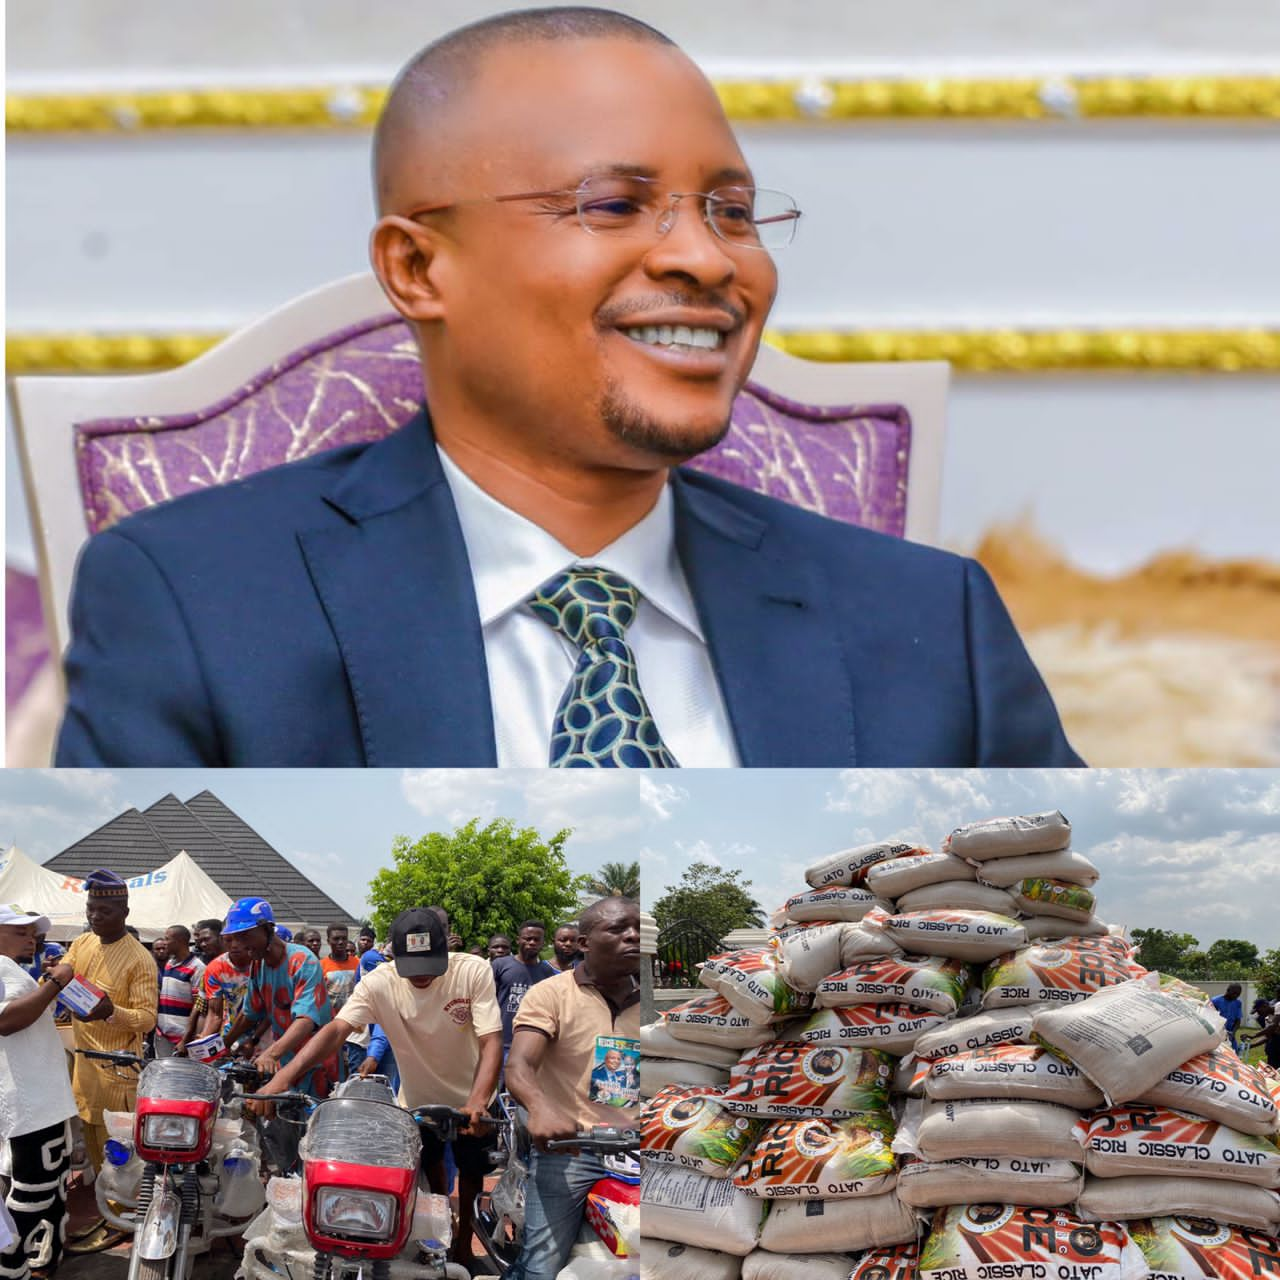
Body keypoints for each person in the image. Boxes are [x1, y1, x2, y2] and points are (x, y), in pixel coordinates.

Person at [55, 7, 1082, 771]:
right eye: (613, 203)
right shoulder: (192, 600)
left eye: (730, 210)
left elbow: (1063, 952)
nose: (707, 258)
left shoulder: (925, 617)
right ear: (418, 268)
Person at [252, 907, 502, 1270]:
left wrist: (479, 1099)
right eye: (411, 968)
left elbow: (492, 1040)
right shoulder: (378, 981)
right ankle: (438, 1231)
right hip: (418, 1099)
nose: (421, 977)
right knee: (427, 1171)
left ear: (445, 952)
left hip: (474, 1098)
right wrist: (283, 1076)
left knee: (472, 1171)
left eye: (431, 966)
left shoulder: (472, 970)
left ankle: (464, 1243)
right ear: (392, 956)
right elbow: (337, 1030)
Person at [506, 897, 640, 1280]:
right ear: (584, 943)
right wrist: (540, 1107)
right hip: (571, 1149)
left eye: (636, 928)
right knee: (541, 1265)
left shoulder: (649, 1004)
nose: (631, 936)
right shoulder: (551, 994)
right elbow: (519, 1065)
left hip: (638, 1150)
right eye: (617, 929)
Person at [62, 870, 158, 1252]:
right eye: (90, 908)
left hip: (118, 1074)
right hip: (84, 1070)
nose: (94, 916)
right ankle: (109, 1211)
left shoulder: (140, 959)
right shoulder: (82, 942)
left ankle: (124, 1218)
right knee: (95, 1148)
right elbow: (63, 976)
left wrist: (109, 1012)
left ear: (124, 911)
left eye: (104, 909)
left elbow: (148, 1019)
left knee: (118, 1155)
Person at [0, 906, 78, 1280]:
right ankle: (13, 1267)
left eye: (32, 932)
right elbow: (5, 1021)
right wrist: (57, 983)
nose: (30, 938)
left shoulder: (14, 969)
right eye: (19, 932)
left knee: (49, 1191)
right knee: (31, 1195)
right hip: (31, 1105)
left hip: (43, 1102)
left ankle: (38, 1262)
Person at [219, 897, 334, 1095]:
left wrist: (271, 1054)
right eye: (235, 937)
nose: (238, 945)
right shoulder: (258, 964)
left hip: (316, 1063)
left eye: (245, 936)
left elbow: (306, 1020)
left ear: (267, 929)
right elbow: (250, 1013)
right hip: (285, 1060)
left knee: (312, 1122)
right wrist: (223, 1045)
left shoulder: (302, 961)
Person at [492, 921, 557, 1053]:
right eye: (527, 938)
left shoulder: (547, 972)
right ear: (518, 940)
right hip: (500, 1042)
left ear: (543, 943)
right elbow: (488, 1001)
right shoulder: (500, 965)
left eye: (536, 939)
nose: (532, 942)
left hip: (530, 1044)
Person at [155, 924, 205, 1057]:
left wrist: (186, 1039)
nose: (164, 943)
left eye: (167, 939)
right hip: (162, 1035)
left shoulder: (197, 968)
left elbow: (198, 1006)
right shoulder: (169, 963)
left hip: (181, 1038)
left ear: (181, 941)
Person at [1211, 983, 1244, 1052]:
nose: (1236, 996)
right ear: (1228, 990)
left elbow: (1238, 1021)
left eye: (1238, 994)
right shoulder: (1215, 1001)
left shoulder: (1238, 1003)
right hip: (1217, 1034)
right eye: (1234, 993)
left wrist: (1233, 1032)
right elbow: (1211, 1019)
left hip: (1230, 1035)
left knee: (1233, 1054)